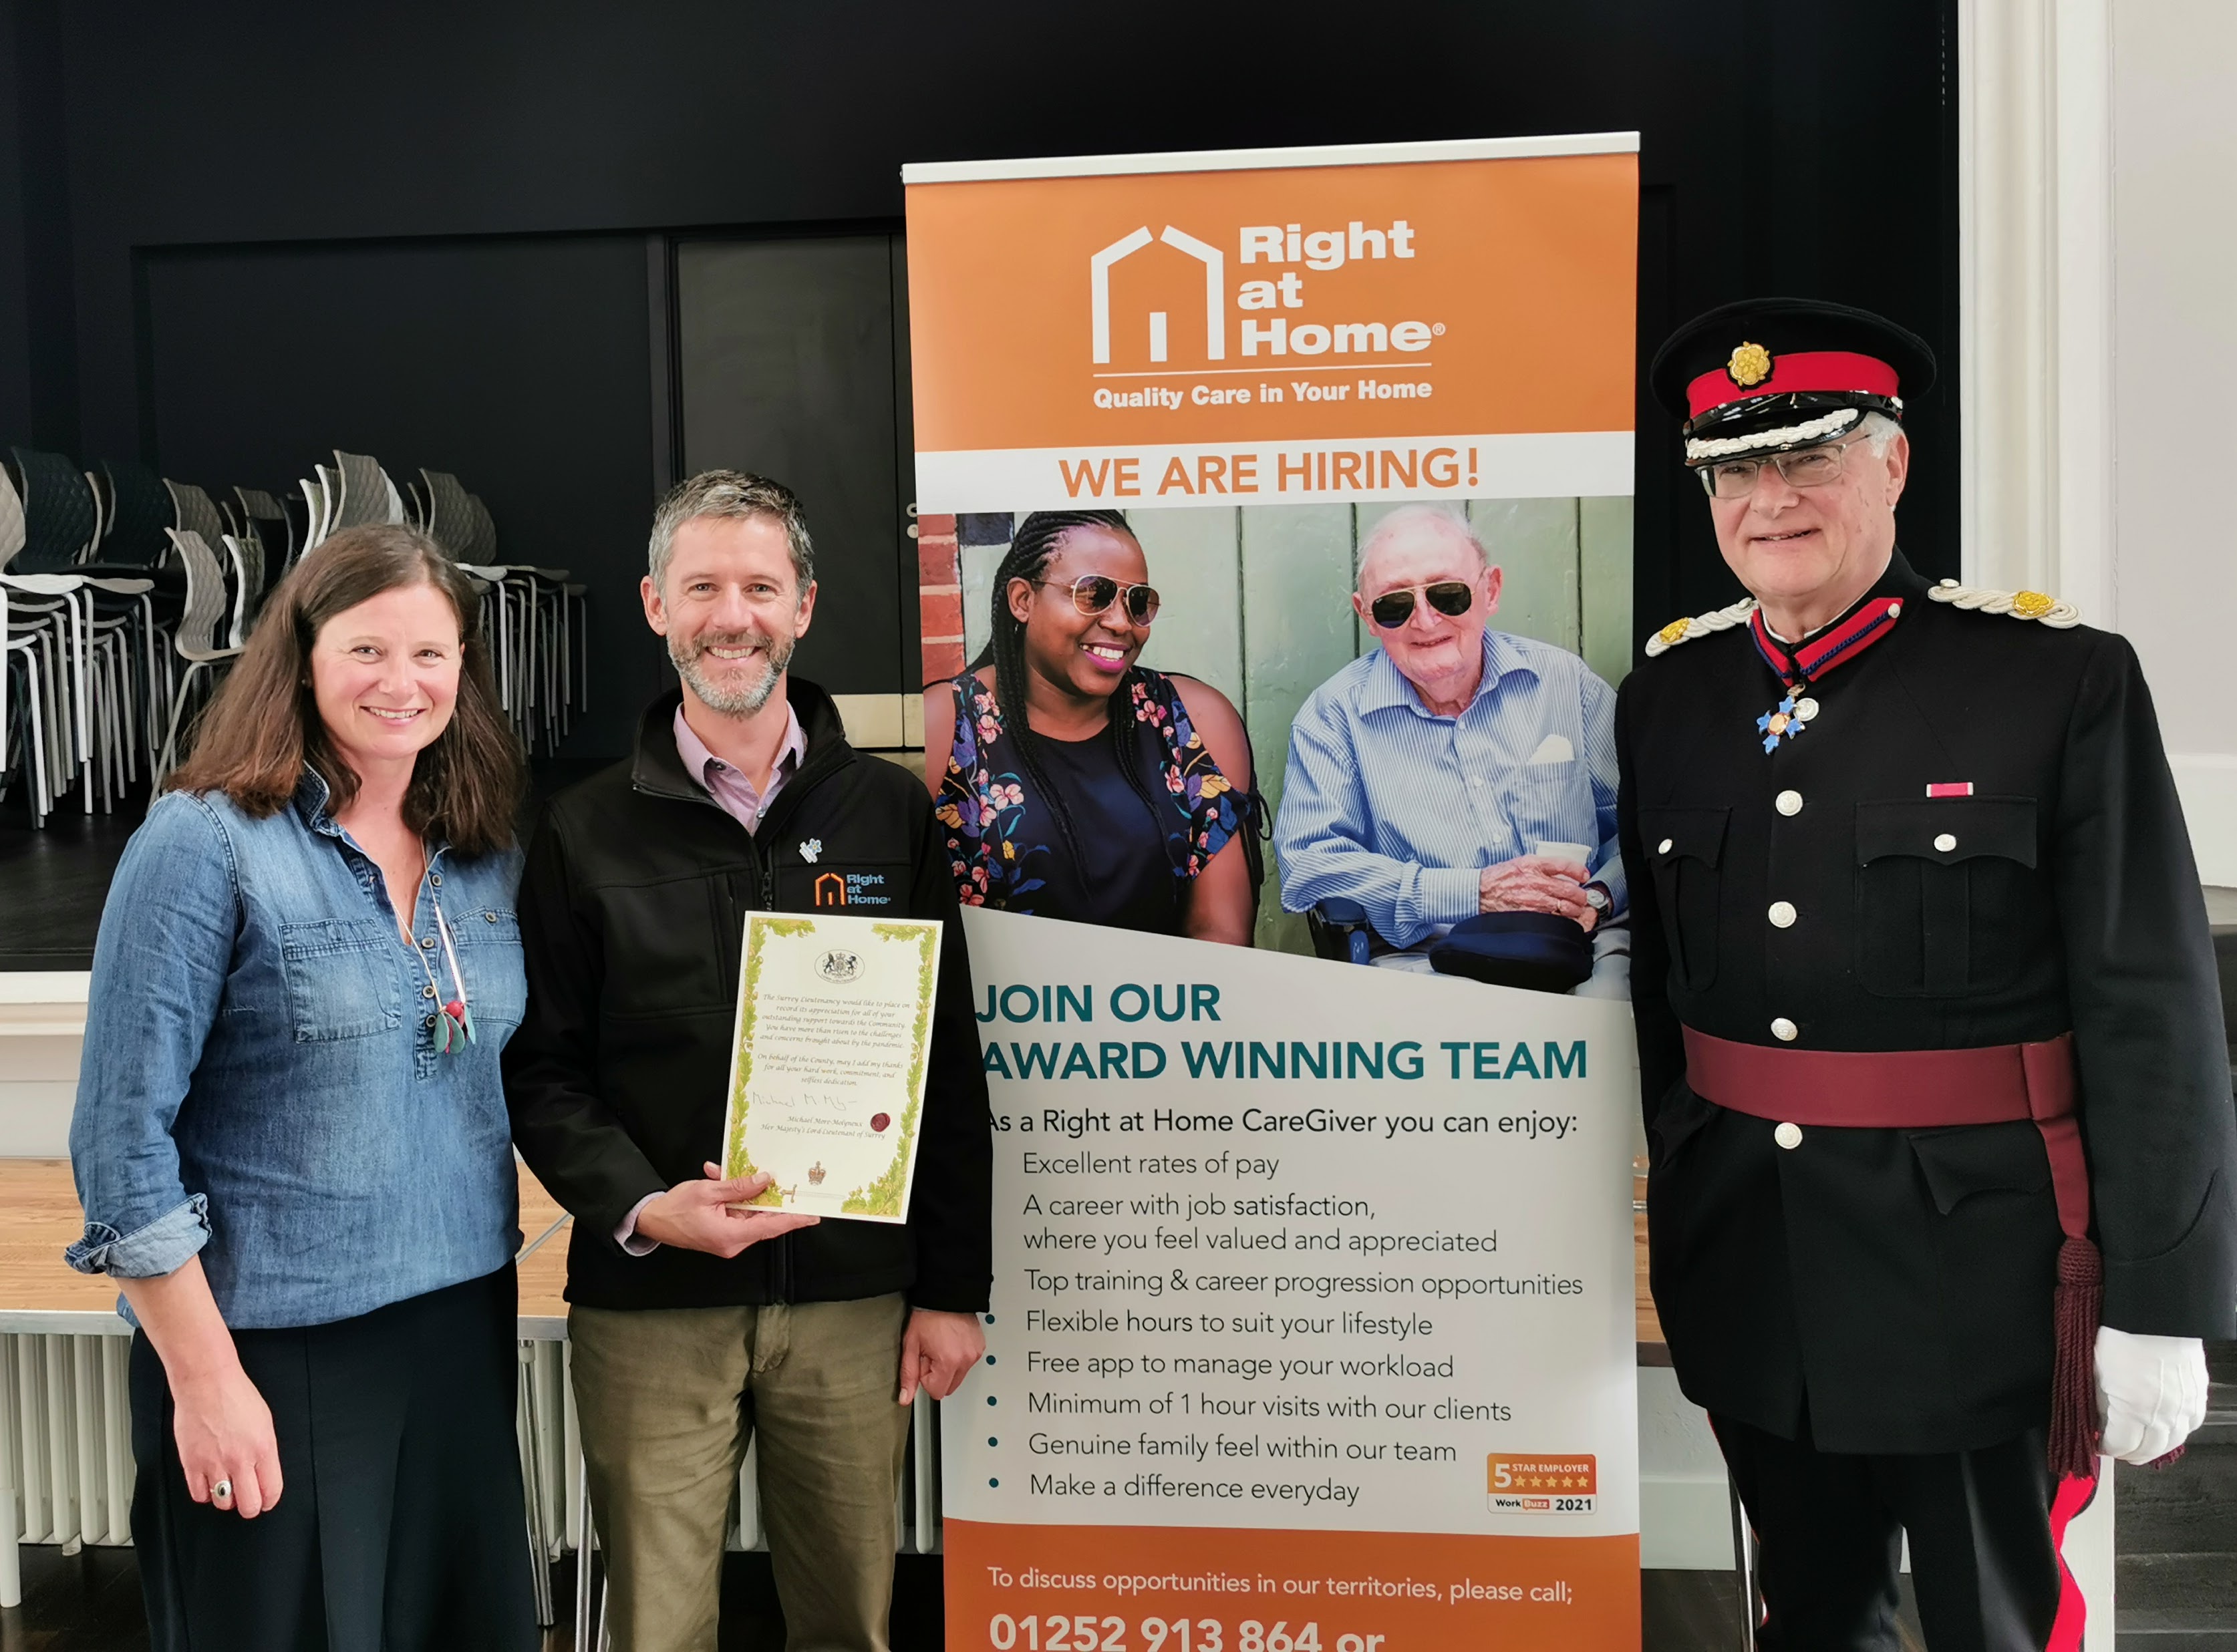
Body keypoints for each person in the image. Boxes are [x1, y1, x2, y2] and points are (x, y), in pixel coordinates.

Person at [1623, 297, 2236, 1647]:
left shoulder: (2054, 682)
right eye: (1734, 470)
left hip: (1985, 1276)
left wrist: (2159, 1302)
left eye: (1809, 458)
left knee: (1992, 1627)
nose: (1769, 499)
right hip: (1758, 1262)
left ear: (1892, 465)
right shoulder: (1672, 694)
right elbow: (1667, 1000)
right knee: (1814, 1616)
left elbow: (2154, 1007)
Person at [504, 471, 992, 1652]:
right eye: (704, 587)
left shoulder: (887, 811)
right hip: (653, 1307)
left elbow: (948, 1064)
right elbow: (541, 1069)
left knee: (848, 1624)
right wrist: (642, 1207)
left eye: (760, 586)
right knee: (657, 1628)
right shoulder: (581, 828)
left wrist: (949, 1285)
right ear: (655, 606)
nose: (734, 615)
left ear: (805, 606)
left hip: (850, 1297)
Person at [65, 525, 537, 1651]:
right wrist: (207, 1380)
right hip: (271, 1350)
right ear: (303, 652)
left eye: (433, 653)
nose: (403, 682)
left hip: (461, 1334)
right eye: (367, 648)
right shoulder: (204, 843)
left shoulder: (482, 849)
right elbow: (122, 1146)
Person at [1275, 504, 1625, 983]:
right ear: (1367, 616)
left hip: (1584, 940)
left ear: (1491, 590)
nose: (1424, 620)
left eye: (1448, 595)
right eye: (1395, 605)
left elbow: (1644, 826)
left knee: (1619, 1041)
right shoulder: (1333, 717)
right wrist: (1470, 892)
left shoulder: (1565, 684)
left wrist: (1599, 897)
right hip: (1426, 959)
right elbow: (1309, 868)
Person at [927, 508, 1257, 942]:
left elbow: (1220, 932)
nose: (1121, 623)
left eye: (1137, 602)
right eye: (1093, 594)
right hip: (998, 1009)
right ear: (1023, 600)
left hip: (1161, 1004)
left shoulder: (1193, 722)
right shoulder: (946, 725)